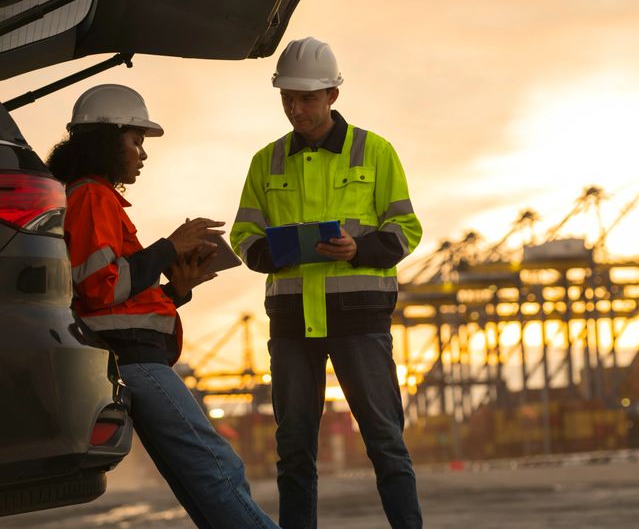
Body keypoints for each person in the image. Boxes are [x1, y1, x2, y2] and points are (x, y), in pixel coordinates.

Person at [48, 84, 279, 529]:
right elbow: (98, 286)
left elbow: (112, 294)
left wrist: (176, 290)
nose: (142, 154)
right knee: (217, 471)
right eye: (135, 141)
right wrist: (168, 246)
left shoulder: (93, 199)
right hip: (136, 361)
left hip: (133, 357)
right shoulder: (92, 197)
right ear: (105, 140)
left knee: (200, 482)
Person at [231, 37, 424, 528]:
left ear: (332, 95)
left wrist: (359, 250)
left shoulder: (374, 152)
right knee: (294, 449)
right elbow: (244, 236)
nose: (295, 108)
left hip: (359, 319)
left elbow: (406, 230)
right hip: (293, 324)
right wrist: (274, 251)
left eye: (306, 98)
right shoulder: (265, 162)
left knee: (385, 440)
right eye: (287, 98)